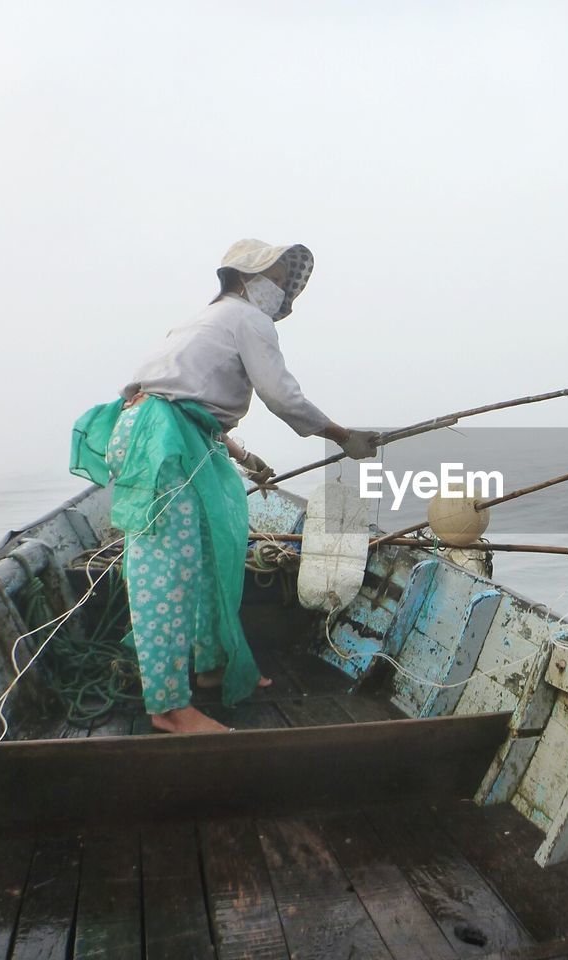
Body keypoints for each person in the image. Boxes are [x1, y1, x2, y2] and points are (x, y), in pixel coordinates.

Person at [70, 239, 379, 733]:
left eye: (283, 282)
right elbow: (280, 394)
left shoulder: (203, 320)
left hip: (178, 435)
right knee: (167, 568)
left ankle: (213, 664)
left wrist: (240, 454)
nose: (280, 290)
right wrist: (344, 437)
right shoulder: (246, 318)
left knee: (214, 549)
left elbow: (191, 397)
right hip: (163, 440)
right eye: (274, 279)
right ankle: (169, 706)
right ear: (242, 277)